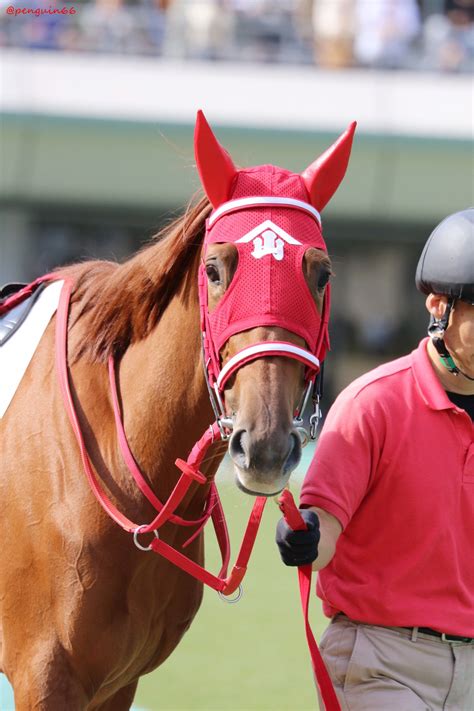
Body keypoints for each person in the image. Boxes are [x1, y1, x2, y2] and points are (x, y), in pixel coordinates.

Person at [276, 208, 474, 710]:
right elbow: (324, 531)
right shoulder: (373, 404)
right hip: (382, 664)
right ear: (440, 306)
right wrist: (306, 535)